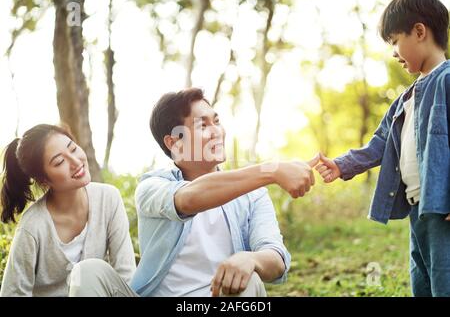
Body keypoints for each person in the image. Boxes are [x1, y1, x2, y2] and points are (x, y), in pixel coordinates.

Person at [70, 88, 319, 297]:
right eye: (202, 125)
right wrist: (272, 170)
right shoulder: (152, 187)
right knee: (88, 271)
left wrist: (251, 259)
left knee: (250, 281)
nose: (216, 132)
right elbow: (188, 199)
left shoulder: (253, 196)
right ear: (173, 142)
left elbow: (276, 259)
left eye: (217, 121)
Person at [315, 0, 450, 297]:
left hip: (444, 209)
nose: (393, 53)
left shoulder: (447, 81)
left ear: (419, 31)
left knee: (446, 281)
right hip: (420, 209)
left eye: (394, 41)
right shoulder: (403, 101)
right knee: (422, 280)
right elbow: (380, 143)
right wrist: (341, 165)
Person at [0, 124, 136, 297]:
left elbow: (126, 277)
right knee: (86, 271)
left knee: (88, 272)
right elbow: (13, 293)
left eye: (72, 148)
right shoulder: (32, 226)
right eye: (59, 162)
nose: (76, 162)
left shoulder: (108, 198)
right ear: (43, 180)